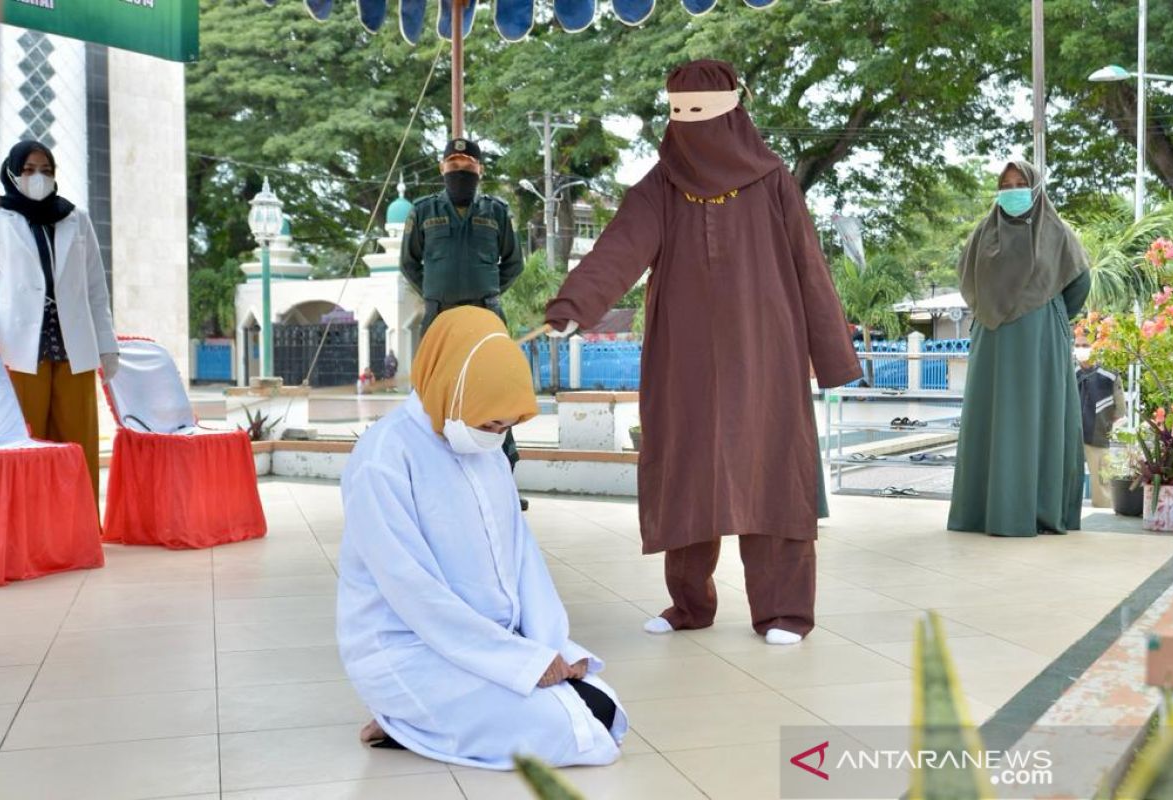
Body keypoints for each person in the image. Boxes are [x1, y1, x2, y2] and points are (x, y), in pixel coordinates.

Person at [543, 60, 861, 646]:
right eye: (678, 114)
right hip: (683, 359)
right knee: (687, 471)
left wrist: (832, 356)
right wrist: (572, 307)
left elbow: (808, 267)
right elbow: (619, 249)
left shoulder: (773, 182)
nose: (690, 128)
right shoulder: (660, 187)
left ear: (732, 114)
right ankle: (689, 604)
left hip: (766, 353)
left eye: (701, 115)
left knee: (771, 474)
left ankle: (785, 610)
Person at [337, 307, 626, 770]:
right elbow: (415, 593)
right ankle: (401, 717)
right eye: (490, 424)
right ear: (451, 388)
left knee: (603, 709)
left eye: (507, 426)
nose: (497, 437)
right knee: (571, 731)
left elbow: (521, 555)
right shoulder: (384, 459)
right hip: (409, 648)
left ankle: (416, 725)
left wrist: (550, 646)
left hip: (493, 642)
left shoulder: (484, 452)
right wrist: (518, 662)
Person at [949, 160, 1091, 536]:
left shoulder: (1056, 233)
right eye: (1006, 184)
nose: (1012, 190)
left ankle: (1039, 511)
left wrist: (1043, 311)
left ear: (1037, 189)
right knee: (993, 419)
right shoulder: (983, 234)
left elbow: (1079, 283)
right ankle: (983, 511)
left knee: (1036, 417)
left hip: (1041, 342)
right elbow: (967, 281)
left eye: (1020, 183)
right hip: (992, 344)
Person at [402, 137, 526, 501]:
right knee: (430, 392)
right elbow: (409, 263)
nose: (460, 171)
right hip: (440, 316)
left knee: (495, 392)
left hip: (486, 314)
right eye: (453, 165)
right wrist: (434, 294)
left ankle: (504, 480)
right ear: (442, 169)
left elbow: (513, 263)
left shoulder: (496, 212)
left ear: (480, 170)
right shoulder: (423, 211)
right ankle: (428, 481)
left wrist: (487, 290)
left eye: (467, 166)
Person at [0, 140, 118, 501]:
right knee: (26, 441)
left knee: (78, 440)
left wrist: (107, 346)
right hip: (18, 348)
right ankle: (30, 528)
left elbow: (96, 288)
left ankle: (80, 528)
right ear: (13, 173)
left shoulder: (75, 218)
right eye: (30, 170)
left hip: (73, 346)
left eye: (47, 170)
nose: (39, 177)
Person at [1075, 345, 1125, 508]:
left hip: (1098, 433)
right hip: (1070, 434)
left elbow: (1120, 409)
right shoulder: (1070, 373)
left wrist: (1105, 423)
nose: (1081, 349)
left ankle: (1103, 513)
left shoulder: (1109, 374)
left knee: (1102, 482)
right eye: (1077, 345)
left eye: (1085, 345)